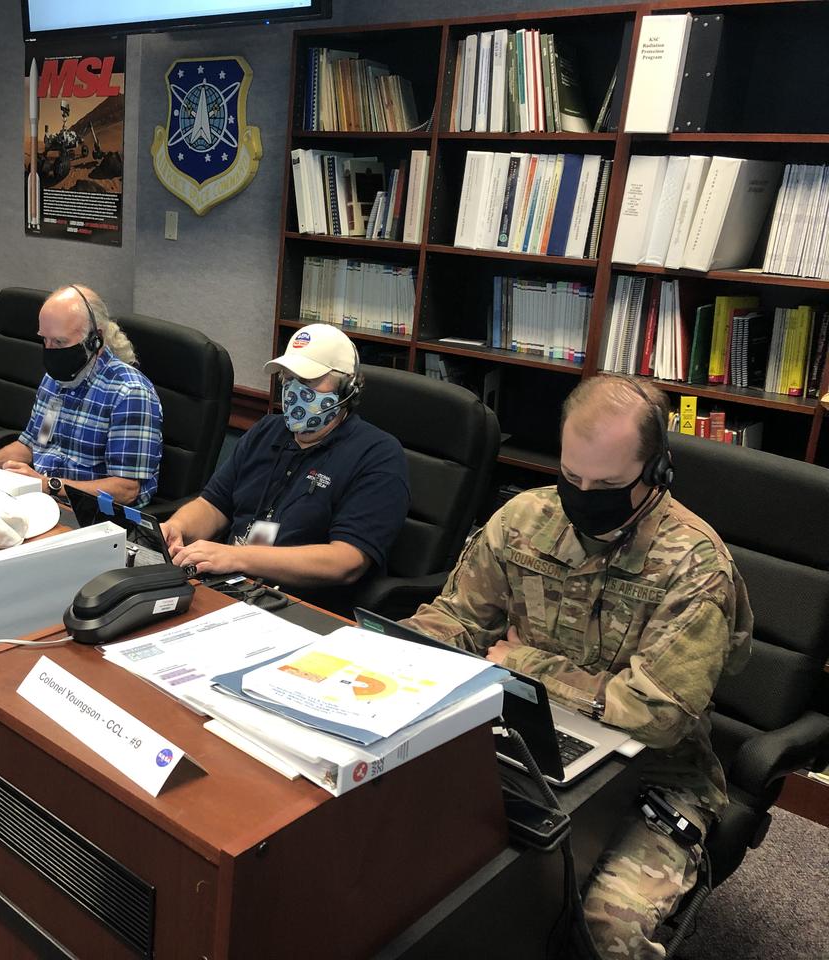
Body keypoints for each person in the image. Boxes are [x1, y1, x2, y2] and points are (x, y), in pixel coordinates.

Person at [401, 375, 752, 960]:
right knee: (431, 873)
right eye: (572, 477)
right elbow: (458, 619)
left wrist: (525, 662)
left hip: (655, 774)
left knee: (603, 928)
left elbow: (656, 717)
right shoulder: (523, 519)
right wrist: (386, 655)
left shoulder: (695, 567)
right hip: (520, 737)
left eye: (609, 484)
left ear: (657, 471)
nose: (584, 495)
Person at [161, 324, 408, 603]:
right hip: (231, 587)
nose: (292, 391)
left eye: (307, 381)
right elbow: (213, 504)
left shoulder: (378, 454)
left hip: (302, 606)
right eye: (287, 378)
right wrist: (177, 527)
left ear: (347, 388)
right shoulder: (267, 430)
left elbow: (346, 561)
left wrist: (238, 557)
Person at [0, 285, 162, 506]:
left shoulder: (129, 393)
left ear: (96, 340)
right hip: (43, 502)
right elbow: (35, 445)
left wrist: (47, 484)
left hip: (94, 516)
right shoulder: (56, 380)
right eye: (44, 340)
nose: (50, 350)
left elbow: (126, 489)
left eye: (59, 342)